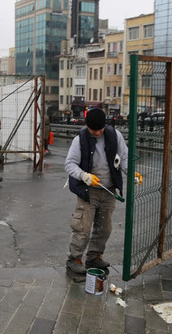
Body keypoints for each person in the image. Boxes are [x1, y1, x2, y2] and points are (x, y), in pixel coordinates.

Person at [64, 107, 143, 273]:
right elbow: (69, 164)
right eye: (94, 130)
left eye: (100, 129)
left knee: (104, 228)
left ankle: (94, 257)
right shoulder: (80, 140)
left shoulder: (115, 136)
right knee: (82, 227)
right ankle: (74, 258)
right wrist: (85, 176)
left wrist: (131, 172)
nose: (98, 133)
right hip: (88, 191)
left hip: (108, 190)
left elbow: (125, 158)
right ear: (87, 126)